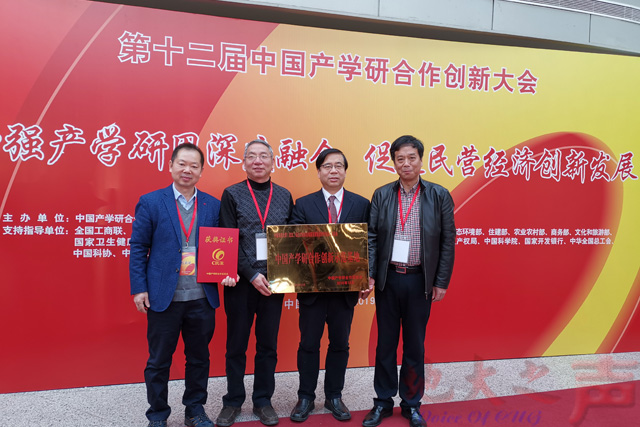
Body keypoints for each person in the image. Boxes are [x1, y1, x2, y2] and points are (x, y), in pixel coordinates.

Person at [130, 143, 236, 427]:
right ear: (171, 166)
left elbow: (222, 245)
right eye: (182, 164)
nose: (187, 170)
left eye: (194, 166)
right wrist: (139, 288)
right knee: (158, 361)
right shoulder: (152, 202)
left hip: (202, 297)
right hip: (163, 297)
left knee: (199, 358)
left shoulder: (213, 204)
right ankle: (157, 415)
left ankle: (195, 410)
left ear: (201, 171)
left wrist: (227, 272)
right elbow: (138, 246)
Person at [363, 135, 455, 427]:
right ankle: (382, 402)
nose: (406, 163)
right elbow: (372, 236)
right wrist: (371, 274)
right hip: (388, 280)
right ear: (394, 162)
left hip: (419, 281)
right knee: (385, 344)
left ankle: (412, 404)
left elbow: (447, 240)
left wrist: (441, 280)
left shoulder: (438, 195)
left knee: (414, 345)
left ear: (420, 160)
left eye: (411, 158)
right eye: (400, 158)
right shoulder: (382, 195)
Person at [288, 148, 371, 423]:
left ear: (345, 171)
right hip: (312, 290)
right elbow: (293, 244)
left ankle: (334, 395)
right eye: (327, 166)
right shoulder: (303, 204)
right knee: (308, 344)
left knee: (340, 345)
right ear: (319, 172)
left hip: (345, 289)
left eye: (338, 166)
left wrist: (367, 275)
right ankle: (305, 397)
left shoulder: (361, 204)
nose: (333, 171)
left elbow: (369, 242)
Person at [216, 139, 294, 427]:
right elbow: (227, 240)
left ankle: (263, 401)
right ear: (244, 163)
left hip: (274, 284)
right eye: (251, 156)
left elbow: (290, 240)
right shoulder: (232, 194)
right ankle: (233, 401)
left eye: (263, 156)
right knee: (236, 345)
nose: (258, 161)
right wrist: (251, 274)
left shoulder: (284, 195)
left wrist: (278, 276)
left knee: (267, 346)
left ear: (273, 162)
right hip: (241, 283)